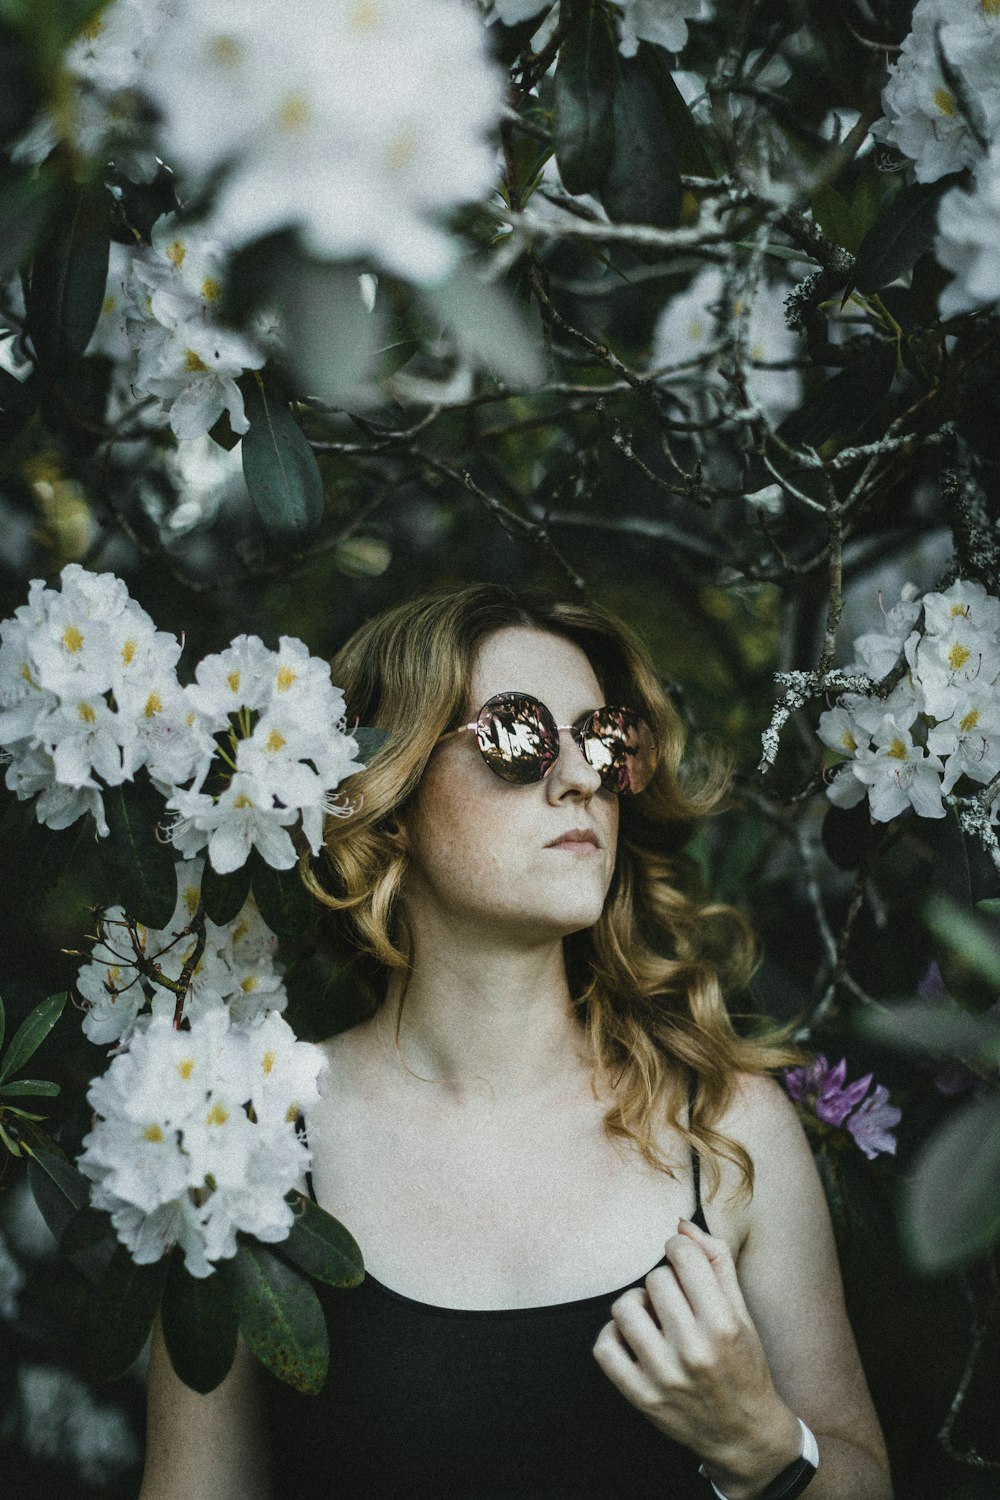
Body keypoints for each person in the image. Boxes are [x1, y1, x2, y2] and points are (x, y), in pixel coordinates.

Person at [139, 585, 894, 1500]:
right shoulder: (250, 1138)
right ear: (388, 791)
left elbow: (865, 1477)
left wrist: (764, 1446)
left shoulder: (730, 1130)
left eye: (606, 739)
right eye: (519, 735)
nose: (580, 775)